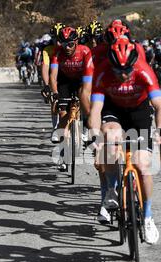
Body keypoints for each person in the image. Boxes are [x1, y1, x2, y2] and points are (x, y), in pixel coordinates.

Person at [88, 37, 161, 244]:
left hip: (138, 111)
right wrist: (95, 134)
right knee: (110, 138)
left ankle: (148, 216)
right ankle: (112, 191)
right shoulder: (103, 72)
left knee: (143, 164)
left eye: (127, 71)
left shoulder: (143, 70)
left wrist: (159, 130)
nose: (123, 75)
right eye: (118, 71)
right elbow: (95, 109)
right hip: (113, 110)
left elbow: (159, 106)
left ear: (134, 64)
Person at [49, 26, 94, 171]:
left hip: (82, 80)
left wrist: (86, 95)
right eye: (63, 44)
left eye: (70, 44)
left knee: (86, 101)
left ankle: (86, 129)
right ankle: (63, 152)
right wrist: (55, 93)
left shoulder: (85, 51)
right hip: (64, 82)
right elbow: (53, 76)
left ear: (76, 42)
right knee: (63, 114)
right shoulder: (58, 53)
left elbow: (89, 77)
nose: (67, 47)